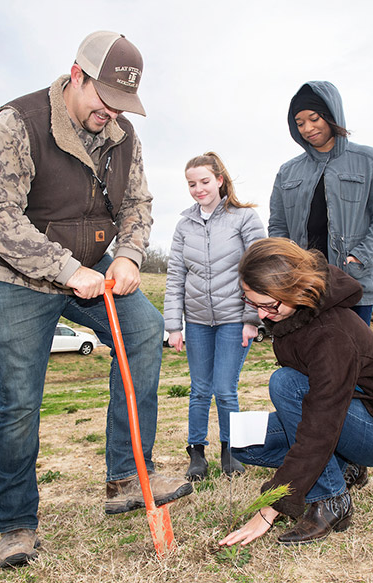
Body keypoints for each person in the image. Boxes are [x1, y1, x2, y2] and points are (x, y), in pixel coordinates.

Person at [0, 31, 191, 568]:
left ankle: (126, 478)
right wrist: (67, 269)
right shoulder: (16, 124)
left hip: (92, 273)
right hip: (15, 279)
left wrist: (130, 256)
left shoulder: (123, 136)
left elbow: (138, 204)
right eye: (103, 98)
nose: (110, 112)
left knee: (143, 332)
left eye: (121, 104)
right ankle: (17, 523)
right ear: (76, 76)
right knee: (20, 398)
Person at [219, 238, 373, 547]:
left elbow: (321, 423)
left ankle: (331, 500)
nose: (263, 315)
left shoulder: (330, 333)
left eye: (268, 305)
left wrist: (273, 504)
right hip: (336, 413)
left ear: (292, 288)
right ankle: (345, 468)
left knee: (285, 384)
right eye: (253, 304)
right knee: (241, 439)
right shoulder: (293, 314)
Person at [163, 152, 266, 481]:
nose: (198, 189)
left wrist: (253, 319)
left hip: (234, 318)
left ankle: (231, 450)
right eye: (191, 184)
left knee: (224, 388)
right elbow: (175, 276)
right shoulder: (184, 225)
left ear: (220, 180)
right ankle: (196, 452)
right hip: (196, 322)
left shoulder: (245, 219)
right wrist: (172, 326)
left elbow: (260, 268)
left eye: (204, 182)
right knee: (199, 389)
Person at [268, 81, 373, 326]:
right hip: (302, 287)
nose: (307, 128)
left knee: (353, 358)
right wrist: (286, 267)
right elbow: (277, 227)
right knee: (307, 359)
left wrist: (359, 257)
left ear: (331, 114)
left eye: (314, 118)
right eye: (299, 123)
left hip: (351, 284)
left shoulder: (369, 160)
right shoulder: (287, 172)